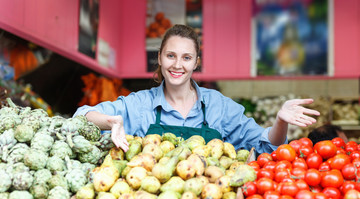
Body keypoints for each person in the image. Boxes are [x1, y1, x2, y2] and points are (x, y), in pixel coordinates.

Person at [73, 24, 320, 154]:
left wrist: (280, 120)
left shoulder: (219, 106)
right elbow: (81, 116)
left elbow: (267, 144)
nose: (177, 65)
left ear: (196, 62)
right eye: (170, 56)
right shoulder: (139, 104)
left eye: (186, 58)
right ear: (159, 58)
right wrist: (112, 122)